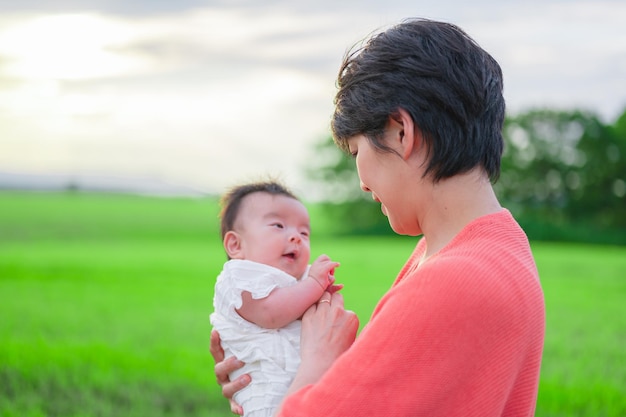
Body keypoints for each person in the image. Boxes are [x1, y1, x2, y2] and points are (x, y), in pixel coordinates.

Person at [210, 18, 545, 416]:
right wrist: (270, 372)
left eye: (356, 153)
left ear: (401, 132)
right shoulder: (488, 249)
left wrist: (314, 361)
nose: (363, 184)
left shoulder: (454, 281)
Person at [210, 180, 342, 417]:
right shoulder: (239, 276)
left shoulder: (301, 279)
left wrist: (323, 296)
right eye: (278, 226)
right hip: (267, 392)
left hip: (304, 386)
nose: (296, 237)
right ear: (235, 245)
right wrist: (314, 285)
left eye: (304, 232)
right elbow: (271, 313)